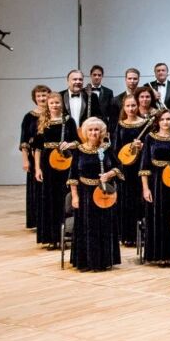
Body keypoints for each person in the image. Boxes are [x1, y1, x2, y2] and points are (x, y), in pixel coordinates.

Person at [67, 116, 122, 272]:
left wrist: (109, 174)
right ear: (85, 132)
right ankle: (86, 262)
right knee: (86, 227)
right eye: (90, 130)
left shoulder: (107, 148)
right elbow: (73, 176)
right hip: (84, 194)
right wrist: (75, 196)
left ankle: (103, 262)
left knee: (103, 226)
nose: (93, 133)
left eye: (96, 130)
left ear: (101, 132)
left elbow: (119, 167)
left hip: (103, 193)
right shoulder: (79, 150)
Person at [139, 109, 170, 266]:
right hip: (156, 183)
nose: (165, 122)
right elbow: (144, 165)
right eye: (162, 119)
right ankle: (157, 255)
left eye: (168, 119)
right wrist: (146, 188)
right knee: (157, 217)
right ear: (157, 122)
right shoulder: (150, 137)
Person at [33, 94, 75, 248]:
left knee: (63, 198)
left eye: (57, 102)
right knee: (48, 199)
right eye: (52, 103)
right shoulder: (42, 121)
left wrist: (69, 145)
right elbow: (37, 148)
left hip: (64, 162)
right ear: (48, 105)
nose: (55, 105)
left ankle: (63, 236)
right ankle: (50, 238)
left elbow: (77, 141)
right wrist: (37, 168)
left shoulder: (68, 121)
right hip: (47, 164)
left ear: (61, 104)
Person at [112, 94, 149, 247]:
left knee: (140, 201)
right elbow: (115, 148)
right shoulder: (120, 125)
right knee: (125, 201)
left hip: (140, 167)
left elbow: (152, 146)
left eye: (133, 105)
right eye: (128, 106)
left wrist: (143, 147)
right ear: (124, 107)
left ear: (138, 106)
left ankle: (142, 235)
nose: (131, 108)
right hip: (125, 169)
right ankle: (127, 235)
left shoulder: (145, 124)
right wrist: (119, 166)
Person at [20, 84, 50, 230]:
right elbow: (24, 140)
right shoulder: (28, 117)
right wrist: (25, 160)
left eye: (44, 95)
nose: (42, 98)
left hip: (51, 157)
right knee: (36, 189)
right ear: (35, 98)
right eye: (39, 96)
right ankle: (37, 221)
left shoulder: (54, 114)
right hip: (34, 158)